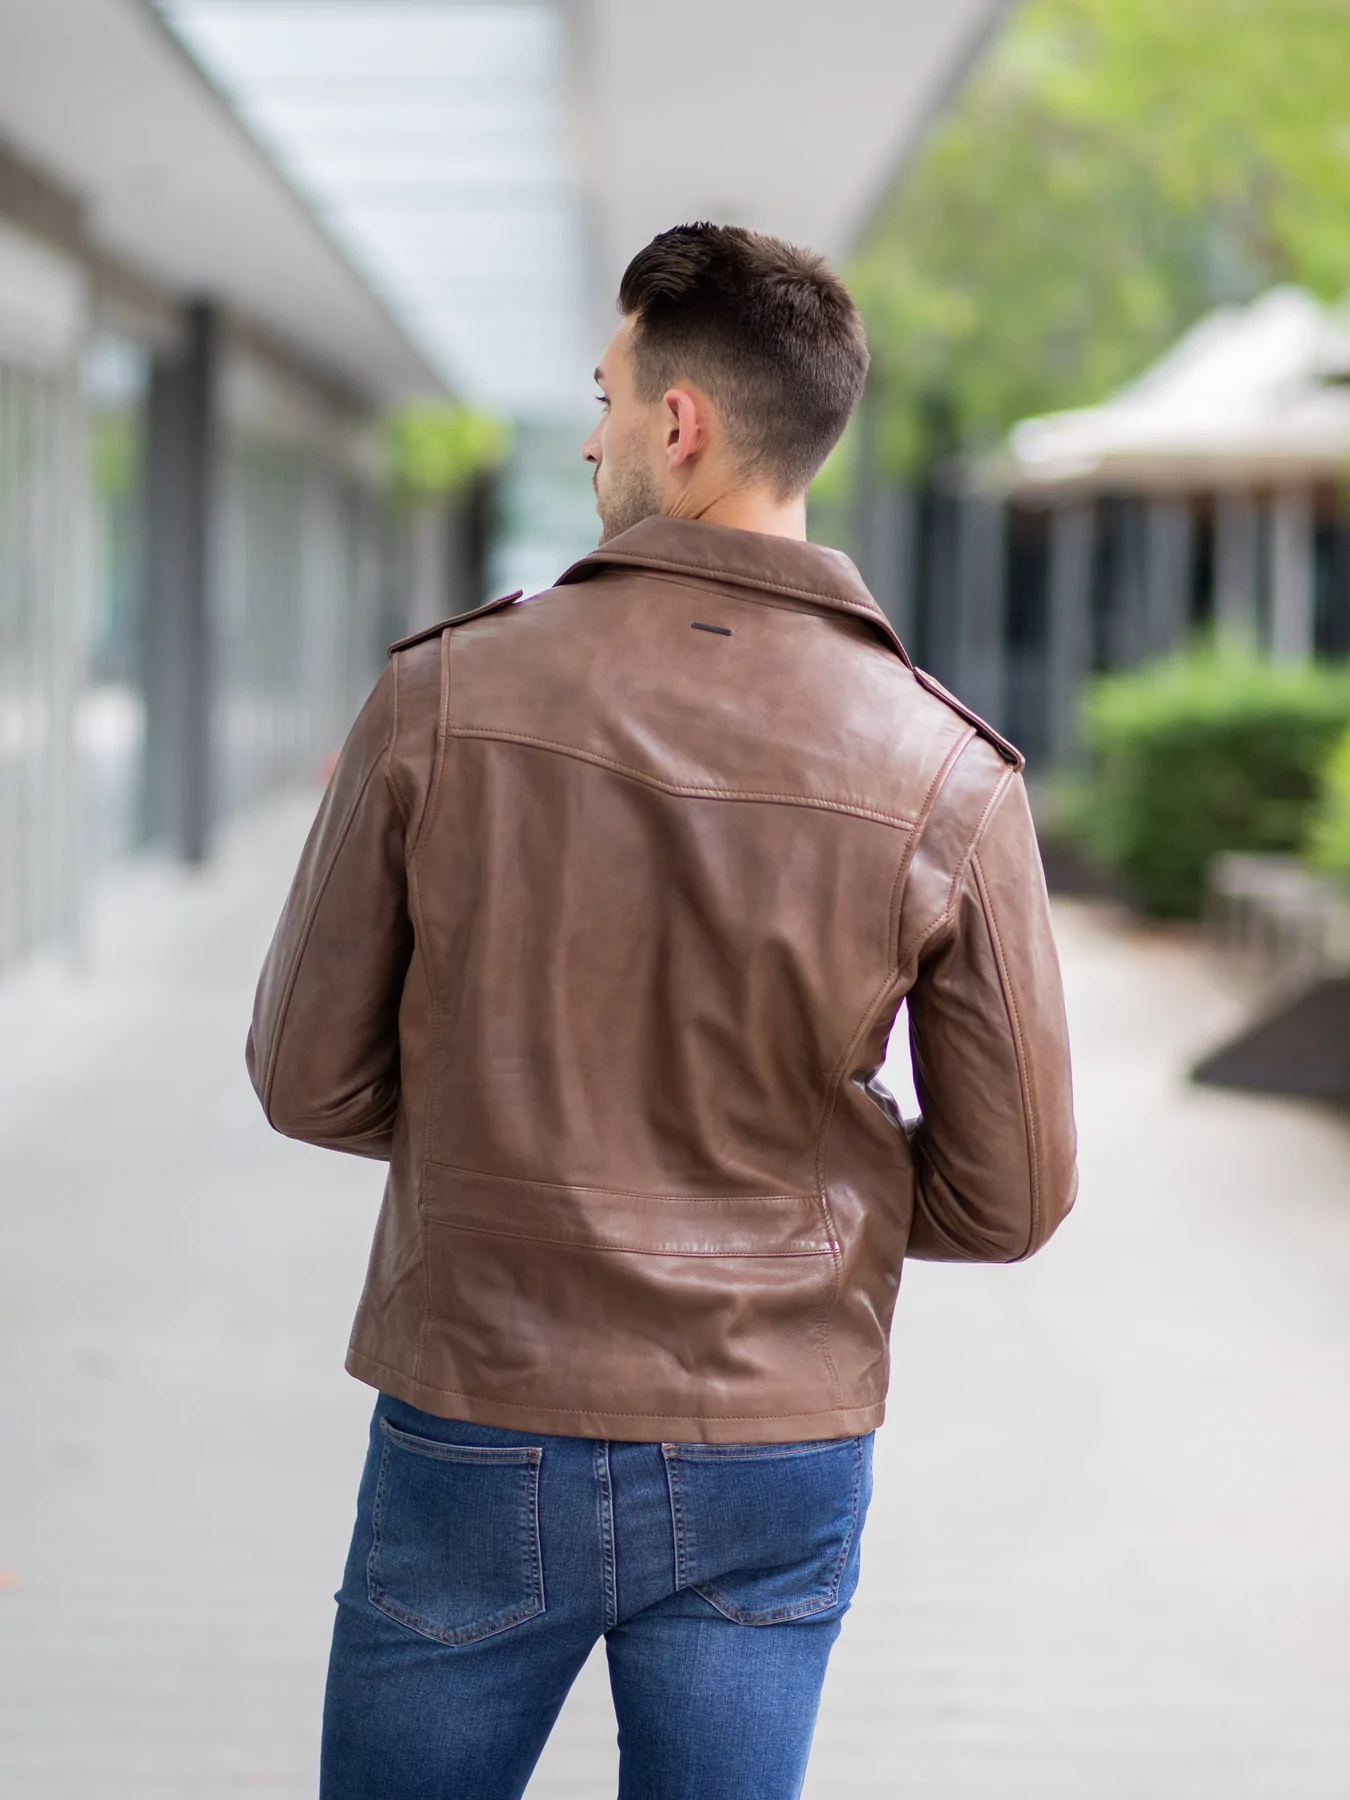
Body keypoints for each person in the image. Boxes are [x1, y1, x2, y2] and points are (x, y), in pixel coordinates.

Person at [247, 222, 1077, 1800]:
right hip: (775, 1432)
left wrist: (506, 1139)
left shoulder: (442, 691)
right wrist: (789, 1205)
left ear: (678, 423)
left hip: (478, 1404)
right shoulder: (946, 769)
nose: (589, 429)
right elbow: (1014, 1192)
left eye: (607, 390)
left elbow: (304, 1077)